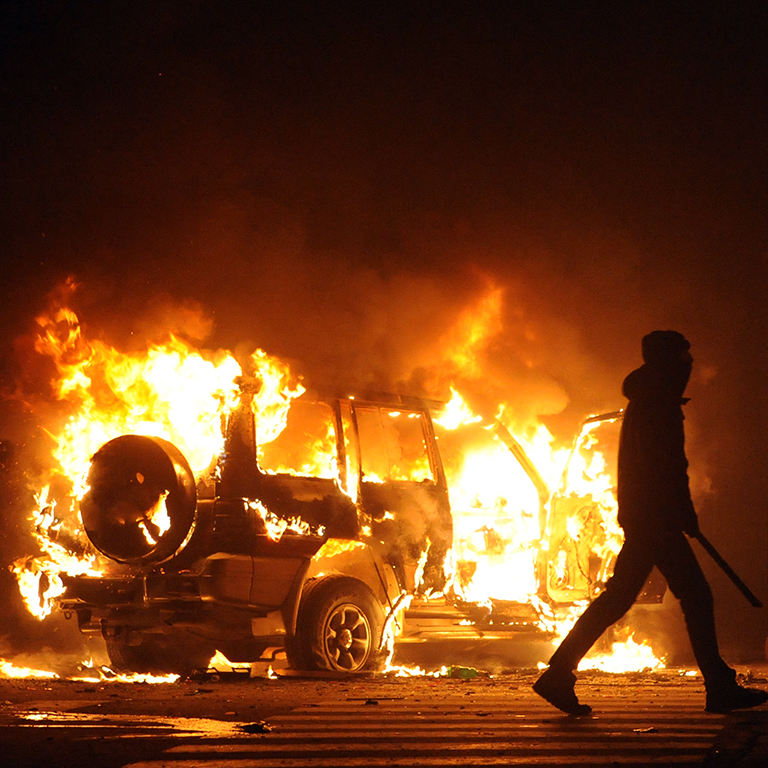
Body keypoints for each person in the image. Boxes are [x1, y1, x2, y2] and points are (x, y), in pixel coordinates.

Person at [534, 331, 768, 715]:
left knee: (620, 598)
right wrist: (682, 512)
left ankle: (558, 673)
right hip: (656, 518)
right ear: (665, 361)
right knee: (695, 596)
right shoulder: (657, 404)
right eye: (683, 356)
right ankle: (719, 686)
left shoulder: (648, 400)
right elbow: (667, 467)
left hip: (648, 516)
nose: (689, 364)